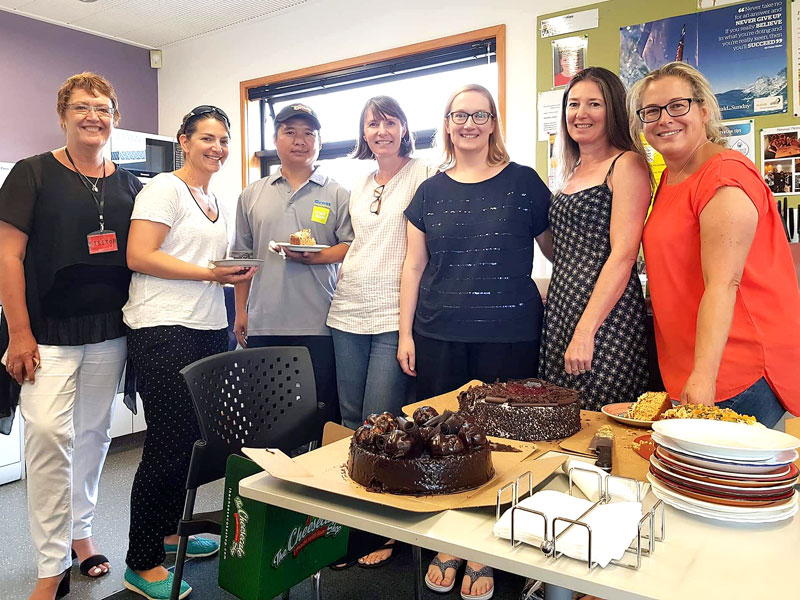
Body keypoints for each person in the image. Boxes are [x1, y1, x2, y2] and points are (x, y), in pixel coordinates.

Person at [398, 84, 552, 600]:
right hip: (440, 333)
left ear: (493, 123)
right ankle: (452, 540)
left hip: (510, 333)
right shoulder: (428, 191)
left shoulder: (524, 183)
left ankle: (488, 546)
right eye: (459, 115)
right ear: (446, 124)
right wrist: (404, 334)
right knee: (448, 441)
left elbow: (559, 253)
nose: (468, 123)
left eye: (479, 115)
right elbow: (414, 266)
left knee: (507, 445)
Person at [0, 72, 141, 600]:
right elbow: (7, 255)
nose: (93, 116)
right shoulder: (31, 174)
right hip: (48, 333)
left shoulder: (129, 184)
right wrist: (19, 333)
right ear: (62, 116)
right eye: (81, 107)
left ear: (115, 118)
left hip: (109, 331)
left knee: (93, 436)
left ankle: (81, 534)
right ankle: (50, 563)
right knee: (46, 438)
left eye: (102, 108)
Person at [122, 105, 256, 600]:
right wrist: (210, 275)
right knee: (167, 444)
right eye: (207, 138)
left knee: (194, 441)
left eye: (223, 140)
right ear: (184, 140)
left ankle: (169, 532)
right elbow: (140, 254)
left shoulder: (210, 195)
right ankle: (141, 561)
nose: (217, 148)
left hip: (205, 327)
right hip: (163, 328)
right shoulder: (164, 188)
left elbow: (198, 258)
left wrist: (234, 273)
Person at [629, 61, 800, 426]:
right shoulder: (673, 177)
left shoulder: (724, 175)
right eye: (652, 111)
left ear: (704, 110)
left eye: (678, 106)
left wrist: (703, 376)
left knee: (728, 481)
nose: (664, 119)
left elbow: (725, 283)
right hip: (690, 364)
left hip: (735, 368)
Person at [326, 96, 435, 569]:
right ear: (364, 134)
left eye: (391, 122)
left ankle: (383, 528)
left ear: (405, 128)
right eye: (374, 124)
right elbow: (352, 244)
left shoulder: (425, 174)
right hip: (347, 310)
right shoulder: (360, 182)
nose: (382, 131)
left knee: (381, 421)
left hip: (395, 315)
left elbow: (423, 250)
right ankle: (352, 524)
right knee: (350, 421)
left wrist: (411, 325)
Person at [233, 103, 353, 436]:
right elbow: (243, 257)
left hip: (320, 324)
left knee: (320, 419)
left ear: (319, 142)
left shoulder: (338, 193)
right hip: (265, 322)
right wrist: (241, 311)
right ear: (275, 139)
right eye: (290, 132)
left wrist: (318, 257)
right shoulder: (252, 194)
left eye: (308, 134)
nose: (299, 141)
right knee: (266, 418)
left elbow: (349, 246)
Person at [538, 67, 652, 411]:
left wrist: (586, 330)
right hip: (562, 310)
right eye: (573, 104)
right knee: (560, 421)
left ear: (613, 110)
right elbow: (565, 251)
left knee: (600, 428)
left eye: (594, 104)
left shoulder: (626, 164)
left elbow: (624, 254)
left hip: (606, 319)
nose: (580, 114)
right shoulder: (570, 171)